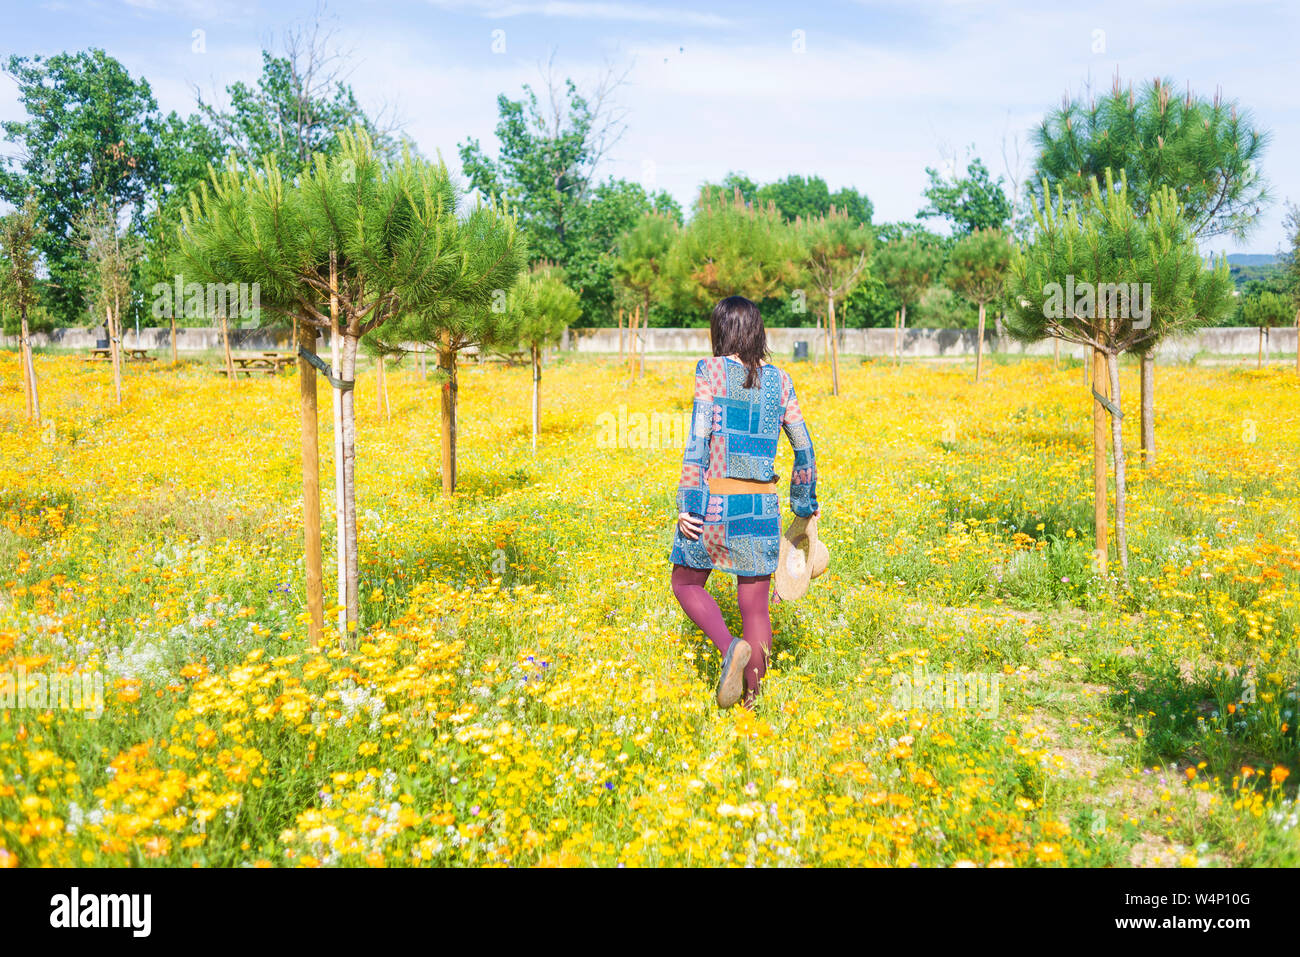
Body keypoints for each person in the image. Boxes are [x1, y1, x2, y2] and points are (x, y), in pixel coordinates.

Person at [669, 295, 819, 710]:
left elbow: (699, 440)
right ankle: (751, 705)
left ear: (720, 331)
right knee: (755, 608)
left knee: (684, 582)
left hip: (715, 504)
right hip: (762, 509)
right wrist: (805, 503)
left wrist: (688, 502)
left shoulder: (711, 371)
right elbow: (804, 446)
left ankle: (727, 646)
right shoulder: (782, 381)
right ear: (758, 332)